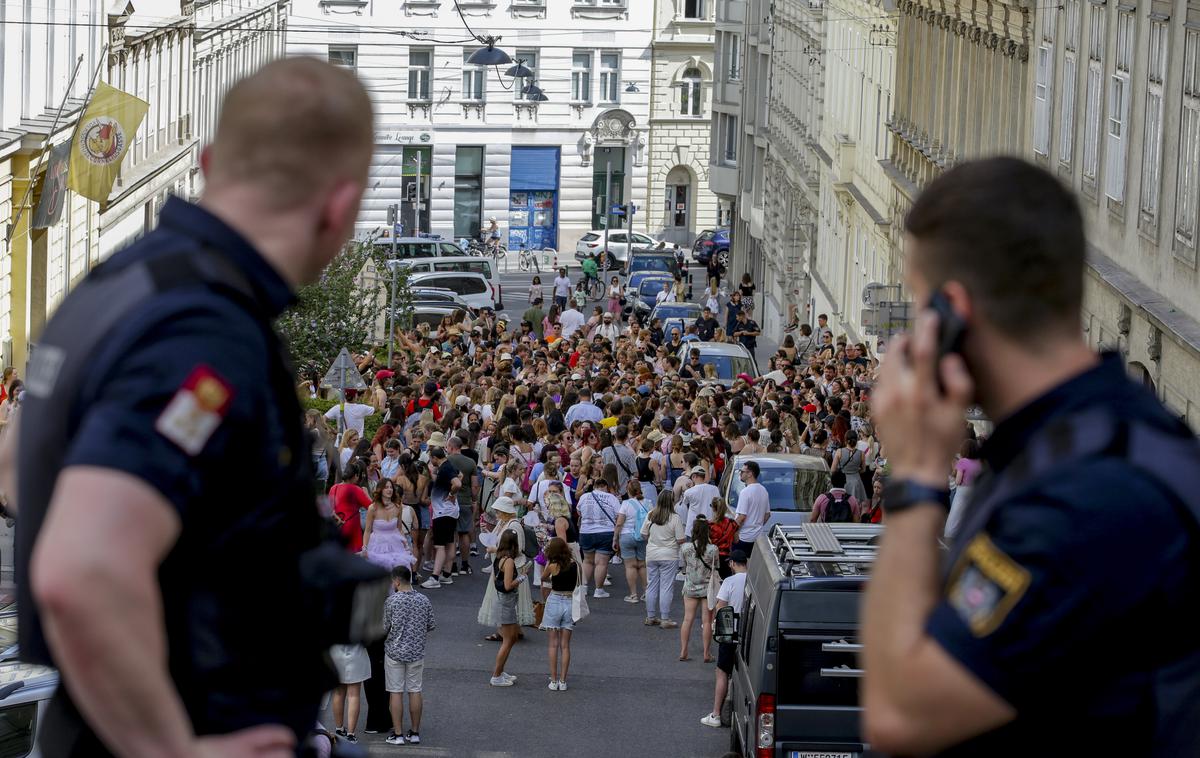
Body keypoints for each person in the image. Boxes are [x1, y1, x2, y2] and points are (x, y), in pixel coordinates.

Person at [1, 57, 387, 758]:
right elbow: (79, 570)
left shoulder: (117, 285)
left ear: (210, 162)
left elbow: (12, 467)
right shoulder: (204, 334)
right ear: (341, 206)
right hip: (187, 724)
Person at [862, 157, 1200, 756]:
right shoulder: (1115, 436)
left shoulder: (1080, 498)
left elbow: (900, 713)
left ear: (953, 316)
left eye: (918, 309)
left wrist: (914, 474)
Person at [382, 565, 435, 746]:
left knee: (395, 691)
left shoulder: (392, 601)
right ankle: (414, 732)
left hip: (394, 652)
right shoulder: (424, 600)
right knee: (415, 690)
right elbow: (430, 625)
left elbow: (384, 627)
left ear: (396, 581)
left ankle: (397, 734)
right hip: (417, 652)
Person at [701, 549, 749, 728]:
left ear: (732, 564)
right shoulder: (756, 580)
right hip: (750, 635)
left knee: (722, 672)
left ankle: (716, 714)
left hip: (730, 634)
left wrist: (714, 626)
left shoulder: (729, 581)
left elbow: (721, 608)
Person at [489, 530, 530, 687]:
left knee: (512, 638)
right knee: (508, 640)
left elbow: (496, 580)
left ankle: (500, 671)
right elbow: (507, 585)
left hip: (502, 601)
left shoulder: (498, 557)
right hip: (506, 602)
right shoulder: (509, 561)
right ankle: (496, 675)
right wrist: (521, 577)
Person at [640, 489, 685, 628]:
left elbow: (643, 534)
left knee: (651, 584)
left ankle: (650, 616)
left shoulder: (651, 515)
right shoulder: (675, 518)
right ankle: (665, 618)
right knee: (666, 587)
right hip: (669, 555)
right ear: (672, 501)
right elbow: (681, 539)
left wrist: (653, 540)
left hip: (652, 553)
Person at [540, 537, 579, 691]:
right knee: (565, 645)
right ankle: (563, 680)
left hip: (555, 600)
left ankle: (554, 679)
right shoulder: (574, 565)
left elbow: (543, 578)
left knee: (553, 644)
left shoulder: (552, 566)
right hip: (570, 601)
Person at [679, 515, 719, 662]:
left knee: (687, 619)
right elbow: (716, 568)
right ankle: (706, 654)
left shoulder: (685, 548)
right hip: (707, 588)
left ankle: (683, 651)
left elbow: (683, 568)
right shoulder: (713, 549)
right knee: (707, 622)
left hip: (690, 587)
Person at [421, 447, 462, 588]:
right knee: (450, 543)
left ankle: (435, 577)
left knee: (439, 546)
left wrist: (451, 494)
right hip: (450, 512)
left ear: (434, 457)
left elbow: (457, 483)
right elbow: (460, 476)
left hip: (442, 512)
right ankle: (446, 574)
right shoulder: (448, 466)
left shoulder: (445, 468)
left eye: (431, 460)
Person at [577, 477, 620, 598]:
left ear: (594, 486)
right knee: (601, 563)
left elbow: (579, 512)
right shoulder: (612, 498)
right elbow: (619, 515)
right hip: (605, 532)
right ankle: (599, 590)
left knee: (587, 561)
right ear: (606, 487)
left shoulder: (584, 496)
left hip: (586, 532)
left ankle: (584, 588)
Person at [361, 478, 417, 571]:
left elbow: (399, 529)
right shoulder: (373, 508)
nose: (389, 489)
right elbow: (367, 530)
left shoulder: (398, 507)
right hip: (377, 545)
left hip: (395, 545)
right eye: (386, 487)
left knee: (399, 573)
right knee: (380, 573)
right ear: (380, 490)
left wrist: (406, 546)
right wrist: (365, 548)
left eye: (391, 487)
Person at [445, 435, 479, 576]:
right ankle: (465, 565)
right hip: (465, 501)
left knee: (451, 534)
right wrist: (474, 500)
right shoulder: (470, 462)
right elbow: (475, 485)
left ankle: (452, 566)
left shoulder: (446, 461)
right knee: (464, 533)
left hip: (449, 500)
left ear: (451, 447)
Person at [614, 480, 650, 603]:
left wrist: (615, 539)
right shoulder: (648, 503)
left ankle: (633, 595)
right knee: (642, 565)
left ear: (628, 491)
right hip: (642, 536)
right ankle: (646, 593)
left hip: (627, 536)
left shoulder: (625, 504)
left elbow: (619, 523)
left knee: (630, 566)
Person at [732, 461, 769, 554]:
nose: (740, 473)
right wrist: (757, 526)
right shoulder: (763, 490)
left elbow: (742, 516)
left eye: (742, 471)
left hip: (743, 537)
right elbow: (767, 515)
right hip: (757, 538)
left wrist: (733, 532)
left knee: (738, 566)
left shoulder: (745, 492)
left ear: (750, 474)